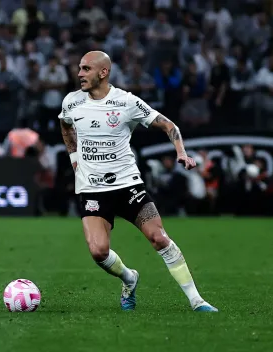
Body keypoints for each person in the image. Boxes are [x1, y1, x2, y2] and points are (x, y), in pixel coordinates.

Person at [58, 51, 218, 312]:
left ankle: (196, 300)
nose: (79, 74)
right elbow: (65, 126)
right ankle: (129, 278)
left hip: (128, 185)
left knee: (159, 237)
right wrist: (75, 157)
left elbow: (168, 125)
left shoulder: (126, 102)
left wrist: (181, 152)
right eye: (79, 68)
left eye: (86, 69)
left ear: (103, 72)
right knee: (98, 251)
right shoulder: (72, 102)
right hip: (93, 189)